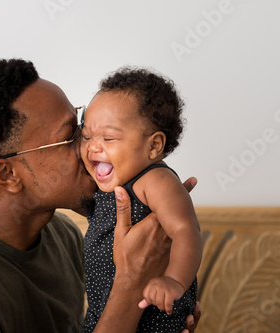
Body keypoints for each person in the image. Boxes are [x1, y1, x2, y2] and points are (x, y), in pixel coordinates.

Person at [0, 59, 200, 333]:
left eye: (84, 128)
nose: (89, 147)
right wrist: (130, 287)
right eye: (70, 135)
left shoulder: (63, 235)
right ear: (8, 175)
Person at [80, 67, 202, 332]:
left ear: (154, 146)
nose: (92, 147)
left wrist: (174, 280)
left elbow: (185, 230)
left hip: (154, 318)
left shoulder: (155, 181)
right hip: (106, 316)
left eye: (109, 138)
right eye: (86, 136)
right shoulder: (109, 185)